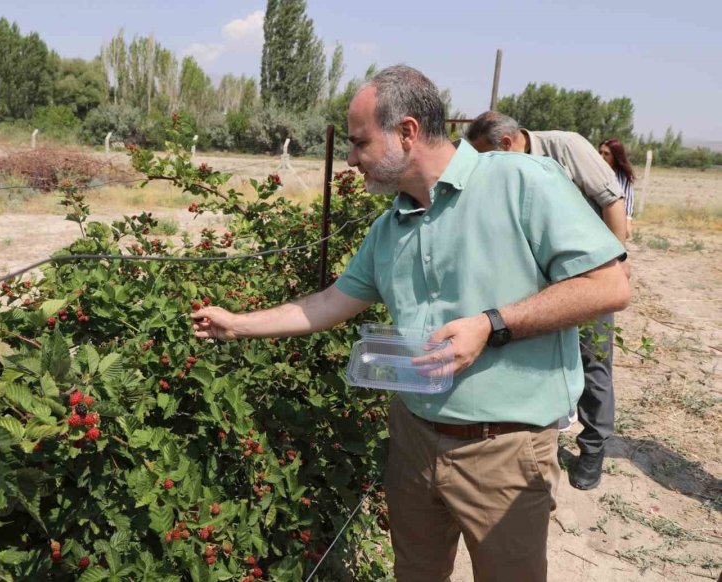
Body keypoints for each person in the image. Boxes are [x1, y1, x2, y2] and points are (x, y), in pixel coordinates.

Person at [192, 65, 629, 581]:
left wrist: (492, 324)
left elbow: (610, 286)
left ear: (407, 132)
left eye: (359, 143)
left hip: (506, 450)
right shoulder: (388, 228)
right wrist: (237, 324)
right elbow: (331, 302)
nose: (350, 159)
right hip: (415, 440)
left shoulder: (522, 183)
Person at [466, 112, 627, 491]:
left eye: (485, 153)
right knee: (534, 357)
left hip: (584, 273)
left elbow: (612, 201)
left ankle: (592, 447)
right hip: (533, 274)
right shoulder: (503, 169)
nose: (481, 164)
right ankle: (539, 443)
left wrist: (615, 263)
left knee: (594, 361)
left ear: (506, 144)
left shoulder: (565, 147)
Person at [599, 138, 636, 237]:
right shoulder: (595, 173)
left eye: (606, 154)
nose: (601, 156)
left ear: (615, 156)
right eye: (600, 152)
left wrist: (628, 221)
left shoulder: (623, 176)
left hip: (615, 217)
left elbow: (628, 198)